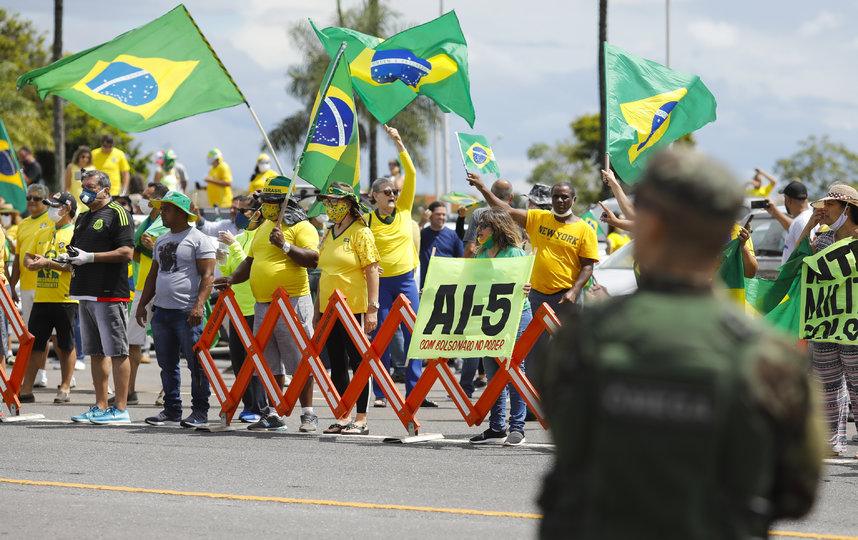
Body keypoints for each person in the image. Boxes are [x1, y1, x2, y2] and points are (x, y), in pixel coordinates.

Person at [535, 148, 823, 538]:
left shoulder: (582, 340)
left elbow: (568, 445)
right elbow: (797, 493)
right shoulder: (768, 356)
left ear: (648, 230)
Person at [213, 176, 319, 432]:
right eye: (266, 202)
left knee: (300, 359)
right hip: (263, 304)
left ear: (285, 202)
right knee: (269, 361)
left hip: (292, 302)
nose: (268, 206)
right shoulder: (263, 227)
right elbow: (250, 262)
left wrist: (284, 245)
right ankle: (274, 412)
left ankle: (308, 413)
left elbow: (313, 260)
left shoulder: (302, 227)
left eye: (273, 202)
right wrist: (231, 278)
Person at [467, 173, 598, 316]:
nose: (560, 200)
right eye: (555, 196)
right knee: (535, 338)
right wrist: (482, 188)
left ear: (574, 200)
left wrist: (574, 291)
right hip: (536, 296)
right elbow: (507, 211)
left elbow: (587, 266)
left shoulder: (585, 229)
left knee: (565, 338)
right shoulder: (538, 218)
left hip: (566, 297)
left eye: (565, 197)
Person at [136, 191, 215, 428]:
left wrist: (198, 306)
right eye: (161, 209)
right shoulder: (160, 240)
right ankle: (171, 410)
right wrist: (142, 305)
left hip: (187, 312)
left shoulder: (199, 239)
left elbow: (208, 276)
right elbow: (153, 274)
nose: (162, 213)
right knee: (167, 364)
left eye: (166, 209)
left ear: (181, 213)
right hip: (162, 311)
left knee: (196, 364)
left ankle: (200, 411)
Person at [63, 170, 135, 424]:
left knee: (117, 351)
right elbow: (77, 251)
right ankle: (100, 405)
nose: (85, 191)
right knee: (95, 352)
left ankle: (121, 409)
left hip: (108, 292)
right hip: (85, 290)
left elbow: (127, 251)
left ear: (105, 189)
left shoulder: (118, 213)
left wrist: (90, 257)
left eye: (91, 186)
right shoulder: (83, 217)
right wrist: (63, 260)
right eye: (84, 186)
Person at [366, 126, 431, 407]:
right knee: (380, 336)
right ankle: (380, 393)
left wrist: (399, 142)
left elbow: (412, 175)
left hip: (406, 280)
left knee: (413, 335)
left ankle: (414, 391)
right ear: (374, 196)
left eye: (394, 191)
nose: (393, 194)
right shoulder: (366, 221)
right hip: (380, 285)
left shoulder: (404, 210)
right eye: (387, 192)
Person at [798, 183, 858, 456]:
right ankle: (830, 441)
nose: (824, 212)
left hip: (853, 326)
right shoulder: (821, 240)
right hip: (825, 324)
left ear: (848, 208)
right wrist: (810, 224)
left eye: (829, 206)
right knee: (827, 384)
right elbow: (796, 261)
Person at [315, 183, 379, 435]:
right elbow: (324, 272)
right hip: (330, 309)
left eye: (336, 202)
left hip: (354, 307)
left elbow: (372, 269)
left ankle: (361, 418)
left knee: (358, 361)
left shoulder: (360, 232)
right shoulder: (329, 233)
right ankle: (343, 414)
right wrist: (319, 308)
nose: (331, 206)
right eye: (328, 202)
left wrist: (372, 308)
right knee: (338, 363)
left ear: (350, 205)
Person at [466, 208, 533, 446]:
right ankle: (496, 428)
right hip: (488, 319)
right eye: (479, 225)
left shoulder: (515, 253)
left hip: (516, 316)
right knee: (494, 374)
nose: (479, 229)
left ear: (498, 229)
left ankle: (517, 428)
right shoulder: (480, 255)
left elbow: (526, 283)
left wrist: (528, 287)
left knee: (515, 370)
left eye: (484, 226)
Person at [16, 193, 78, 404]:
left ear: (67, 209)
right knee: (35, 344)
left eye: (55, 206)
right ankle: (26, 388)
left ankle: (65, 387)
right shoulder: (44, 231)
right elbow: (27, 254)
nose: (51, 210)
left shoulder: (75, 233)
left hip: (65, 298)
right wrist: (29, 263)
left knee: (65, 344)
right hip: (42, 297)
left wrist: (47, 264)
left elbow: (73, 265)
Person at [214, 194, 267, 423]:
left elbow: (249, 266)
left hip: (254, 307)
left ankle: (259, 405)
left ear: (256, 213)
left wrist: (233, 246)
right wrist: (222, 259)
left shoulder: (258, 237)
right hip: (237, 309)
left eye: (243, 210)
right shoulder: (241, 236)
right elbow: (232, 272)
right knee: (237, 359)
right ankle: (248, 404)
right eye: (235, 210)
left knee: (254, 360)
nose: (238, 215)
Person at [125, 182, 170, 406]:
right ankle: (128, 389)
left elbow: (171, 255)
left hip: (162, 287)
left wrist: (152, 248)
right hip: (142, 286)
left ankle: (167, 391)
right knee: (132, 339)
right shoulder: (145, 223)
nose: (142, 200)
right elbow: (135, 254)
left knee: (164, 341)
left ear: (158, 200)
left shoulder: (167, 222)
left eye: (146, 196)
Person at [10, 184, 52, 387]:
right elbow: (18, 257)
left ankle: (54, 375)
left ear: (44, 201)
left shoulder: (51, 221)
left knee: (54, 335)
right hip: (27, 286)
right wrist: (12, 285)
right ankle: (37, 374)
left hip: (48, 285)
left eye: (36, 198)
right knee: (33, 333)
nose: (31, 201)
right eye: (29, 198)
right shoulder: (23, 224)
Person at [764, 179, 814, 264]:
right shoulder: (806, 218)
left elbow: (803, 255)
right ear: (806, 198)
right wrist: (774, 212)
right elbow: (793, 228)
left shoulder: (801, 221)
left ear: (788, 200)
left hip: (795, 276)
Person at [463, 180, 514, 258]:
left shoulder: (479, 214)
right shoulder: (517, 217)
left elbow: (470, 249)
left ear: (490, 194)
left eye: (483, 225)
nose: (478, 229)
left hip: (482, 266)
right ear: (511, 197)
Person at [419, 201, 463, 290]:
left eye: (444, 214)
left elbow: (461, 259)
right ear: (430, 215)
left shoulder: (453, 235)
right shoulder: (422, 233)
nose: (441, 217)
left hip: (448, 286)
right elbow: (412, 242)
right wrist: (422, 223)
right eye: (438, 214)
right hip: (427, 287)